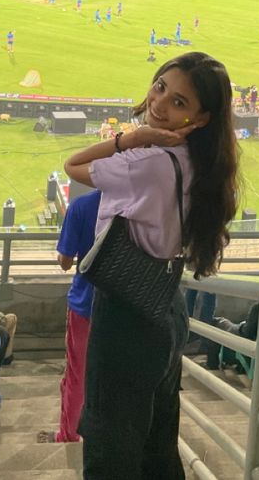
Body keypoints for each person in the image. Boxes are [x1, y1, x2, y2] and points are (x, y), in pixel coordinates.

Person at [64, 51, 238, 479]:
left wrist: (133, 138)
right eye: (160, 87)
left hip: (126, 316)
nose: (159, 104)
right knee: (157, 445)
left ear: (199, 119)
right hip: (166, 307)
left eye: (179, 102)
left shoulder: (150, 161)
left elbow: (74, 165)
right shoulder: (200, 159)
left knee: (111, 447)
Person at [38, 189, 101, 445]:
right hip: (126, 306)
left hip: (86, 304)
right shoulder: (140, 201)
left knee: (78, 374)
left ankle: (70, 435)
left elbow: (65, 262)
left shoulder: (83, 205)